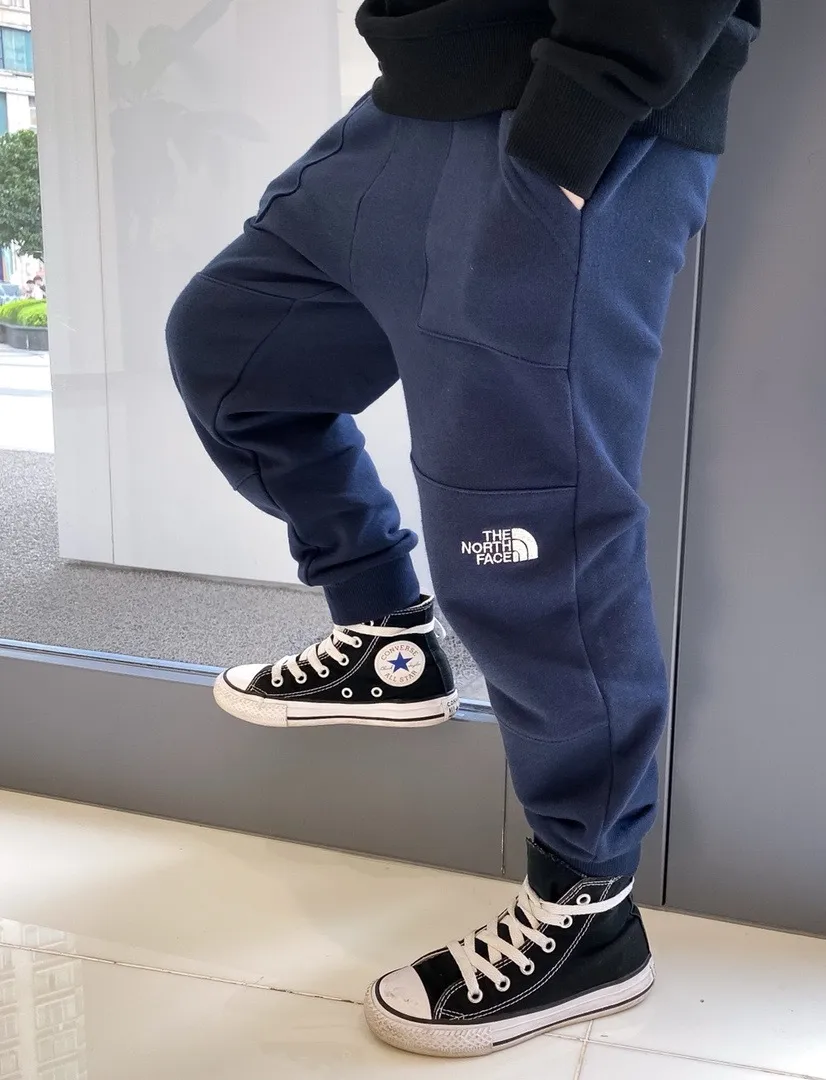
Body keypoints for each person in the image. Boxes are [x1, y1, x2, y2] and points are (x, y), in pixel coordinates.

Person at [166, 0, 758, 1059]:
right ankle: (388, 639)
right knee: (232, 349)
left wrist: (574, 122)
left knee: (525, 537)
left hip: (572, 107)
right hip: (412, 103)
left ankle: (589, 910)